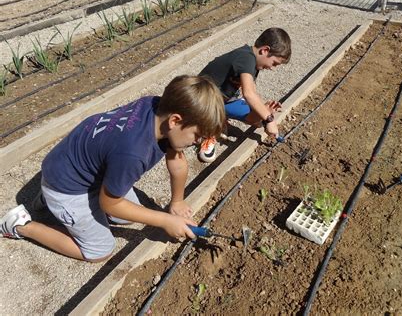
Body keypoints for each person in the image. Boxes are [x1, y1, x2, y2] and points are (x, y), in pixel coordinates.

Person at [0, 75, 226, 262]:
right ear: (175, 121)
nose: (198, 142)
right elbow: (109, 203)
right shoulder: (133, 153)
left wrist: (176, 202)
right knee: (100, 250)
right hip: (66, 186)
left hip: (71, 164)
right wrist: (166, 220)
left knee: (127, 217)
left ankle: (53, 203)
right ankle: (21, 225)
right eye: (197, 136)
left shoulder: (157, 108)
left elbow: (176, 160)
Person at [198, 27, 291, 163]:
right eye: (274, 63)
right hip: (204, 99)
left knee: (257, 120)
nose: (272, 68)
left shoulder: (255, 64)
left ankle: (220, 119)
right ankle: (208, 132)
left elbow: (252, 91)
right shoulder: (246, 57)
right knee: (260, 117)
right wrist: (269, 119)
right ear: (265, 50)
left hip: (226, 100)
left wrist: (264, 113)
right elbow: (248, 94)